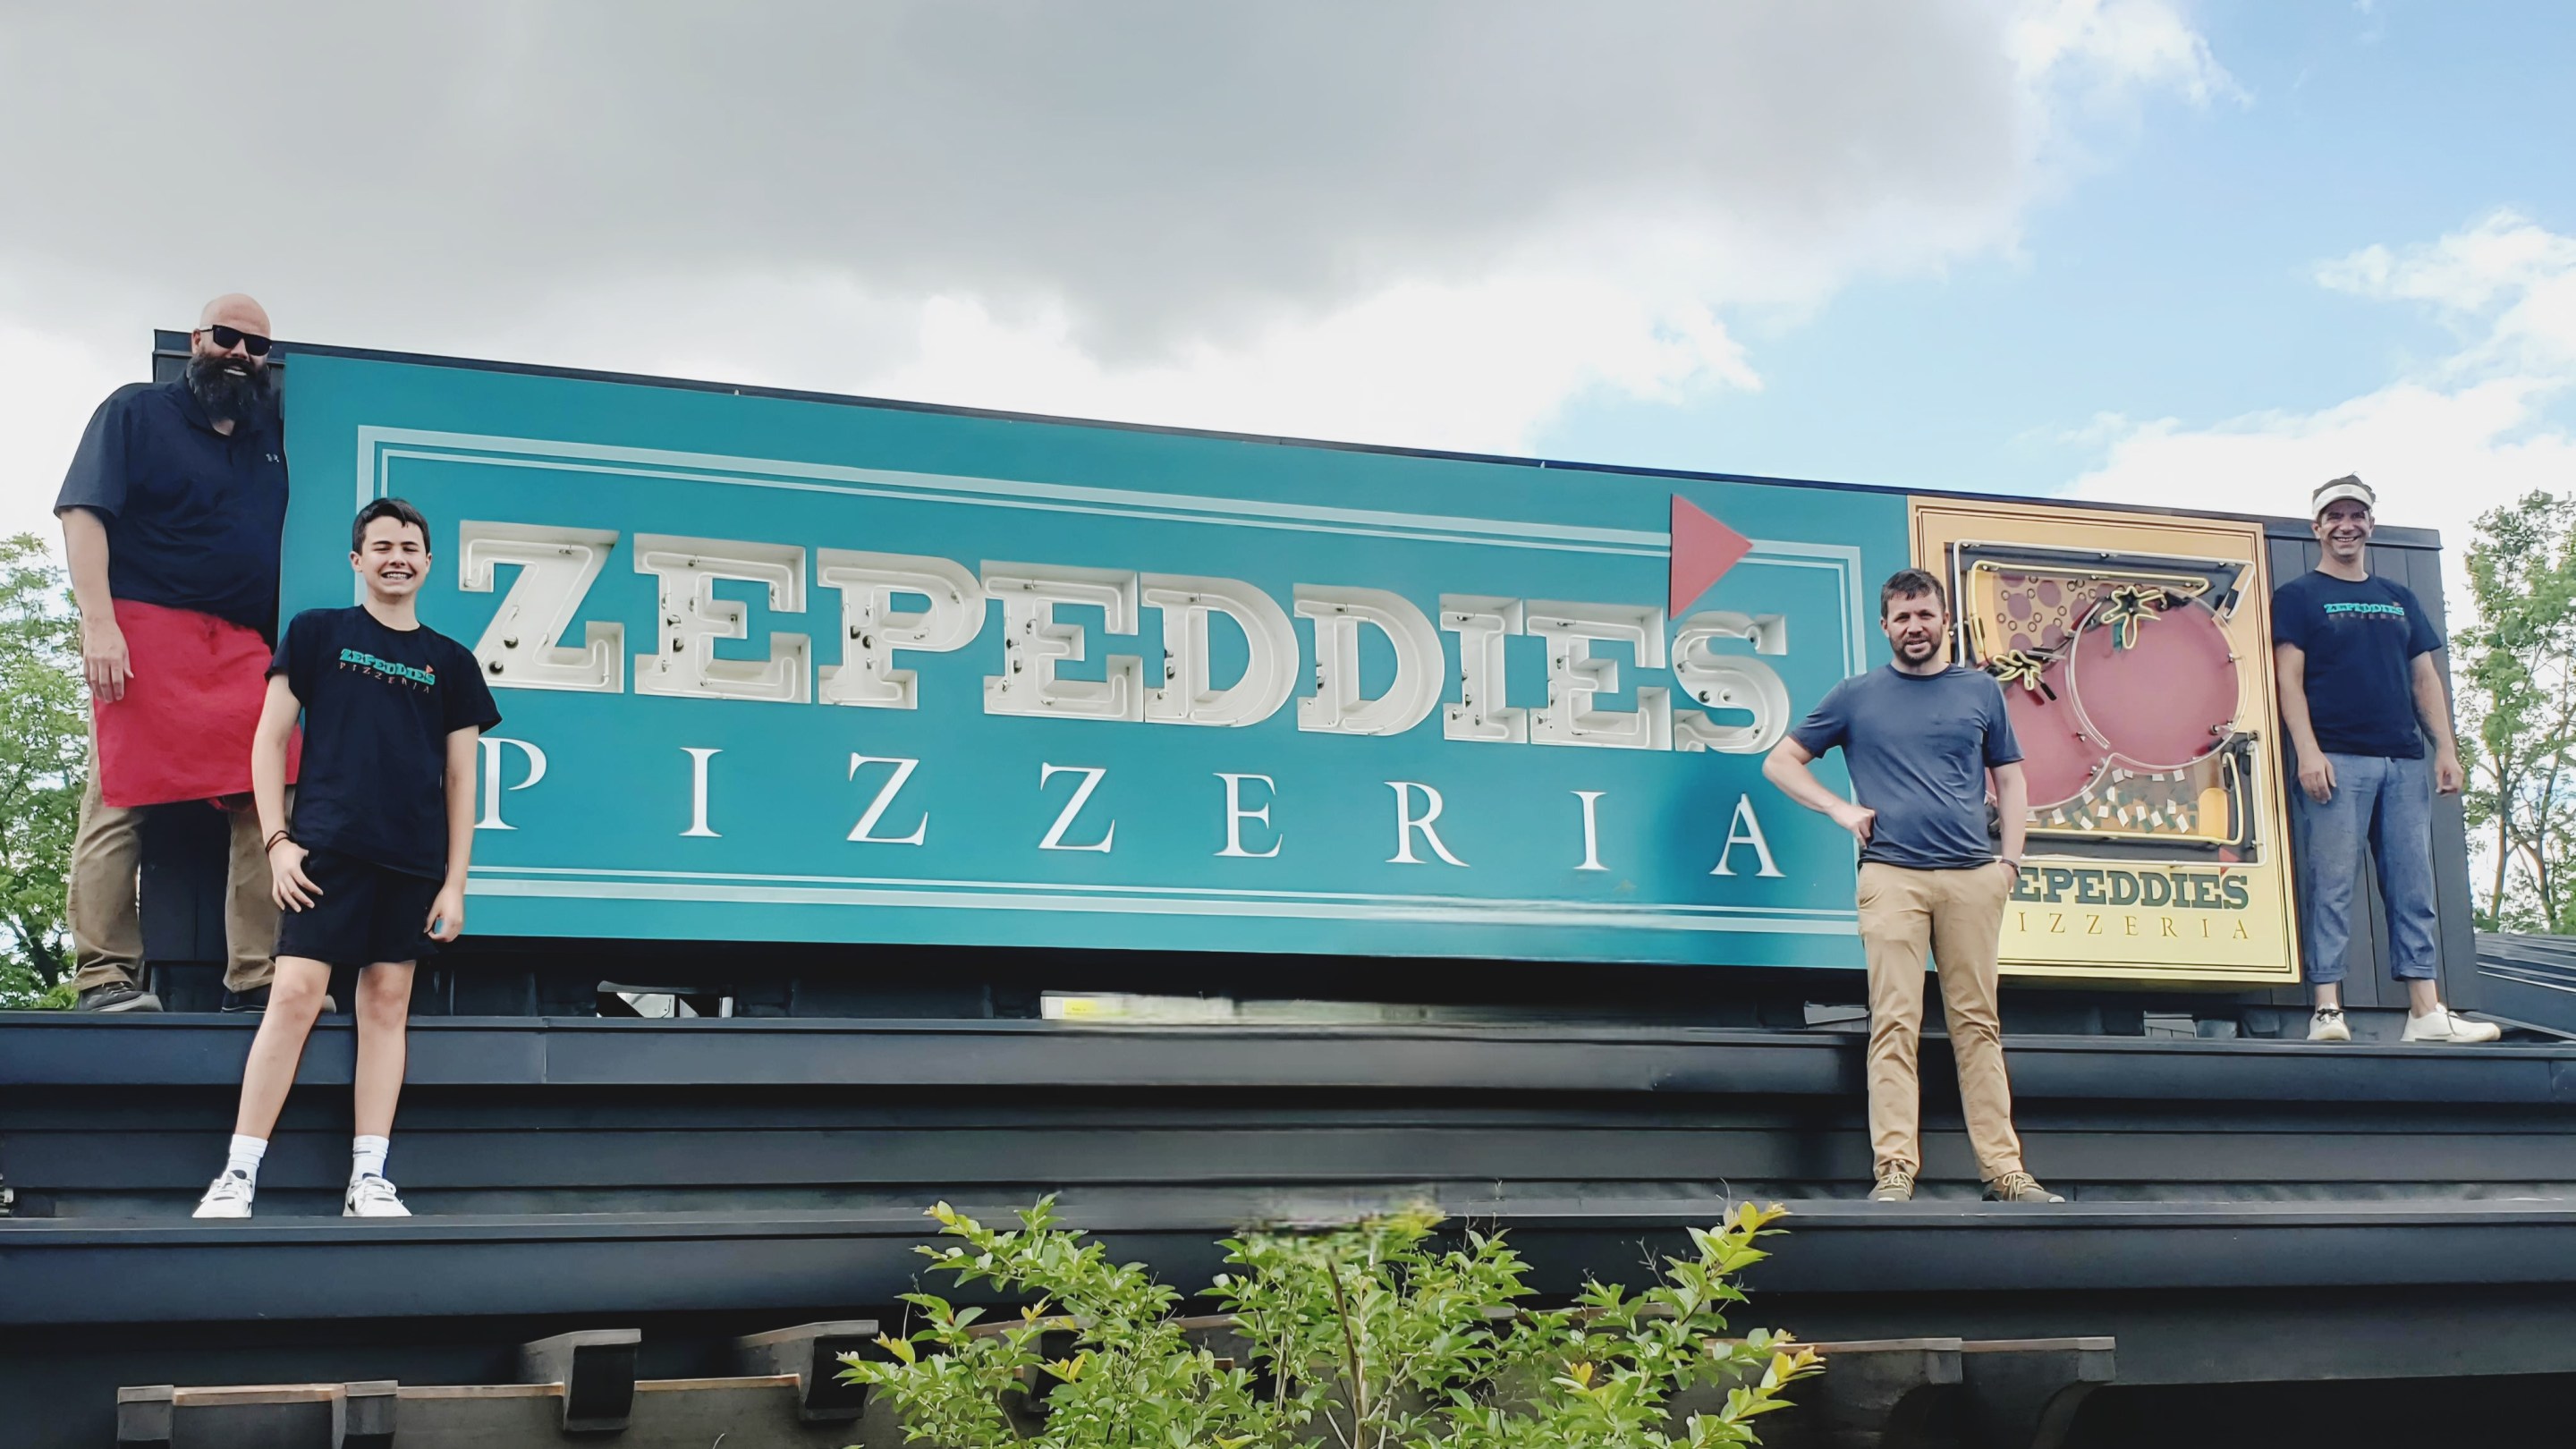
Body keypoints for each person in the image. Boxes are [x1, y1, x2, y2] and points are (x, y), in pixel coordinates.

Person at [193, 497, 499, 1219]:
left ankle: (369, 1178)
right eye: (383, 545)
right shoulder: (317, 633)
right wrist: (276, 841)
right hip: (323, 851)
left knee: (386, 1005)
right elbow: (269, 743)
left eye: (411, 547)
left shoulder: (451, 662)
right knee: (294, 996)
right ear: (358, 560)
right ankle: (237, 1173)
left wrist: (455, 883)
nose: (398, 556)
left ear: (429, 564)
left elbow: (462, 779)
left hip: (412, 862)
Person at [1764, 568, 2063, 1204]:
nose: (1914, 627)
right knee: (1894, 1022)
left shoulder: (1980, 691)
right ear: (1885, 627)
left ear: (1943, 620)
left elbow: (2010, 779)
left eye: (1925, 615)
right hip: (1892, 875)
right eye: (1902, 617)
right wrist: (1840, 811)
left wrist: (2008, 863)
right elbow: (1779, 761)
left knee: (1977, 1025)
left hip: (1972, 877)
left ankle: (2004, 1170)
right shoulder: (1856, 695)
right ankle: (1894, 1168)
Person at [56, 293, 294, 1013]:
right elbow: (82, 512)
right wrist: (98, 623)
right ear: (197, 339)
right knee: (118, 796)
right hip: (141, 625)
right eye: (227, 338)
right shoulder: (134, 411)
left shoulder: (270, 434)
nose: (241, 355)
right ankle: (103, 976)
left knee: (272, 792)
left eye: (256, 347)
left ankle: (256, 979)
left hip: (240, 643)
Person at [2274, 475, 2497, 1045]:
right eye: (2335, 516)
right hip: (2336, 760)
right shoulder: (2299, 596)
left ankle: (2425, 1011)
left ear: (2370, 524)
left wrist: (2445, 746)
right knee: (2332, 883)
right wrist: (2308, 751)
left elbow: (2425, 678)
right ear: (2317, 527)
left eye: (2356, 516)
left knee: (2412, 884)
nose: (2346, 525)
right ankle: (2327, 1009)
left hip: (2402, 760)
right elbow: (2288, 680)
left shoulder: (2399, 597)